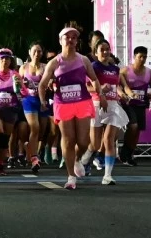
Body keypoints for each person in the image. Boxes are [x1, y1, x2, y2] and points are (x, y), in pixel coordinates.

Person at [38, 27, 104, 190]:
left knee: (83, 141)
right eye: (67, 37)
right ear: (60, 40)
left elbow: (94, 80)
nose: (71, 40)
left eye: (74, 37)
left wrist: (101, 95)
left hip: (83, 102)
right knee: (68, 140)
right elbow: (42, 84)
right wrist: (42, 100)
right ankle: (70, 177)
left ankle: (77, 159)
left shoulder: (83, 60)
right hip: (63, 104)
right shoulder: (54, 62)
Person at [84, 39, 130, 185]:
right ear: (96, 52)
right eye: (102, 49)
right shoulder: (93, 67)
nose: (105, 52)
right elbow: (86, 87)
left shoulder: (115, 69)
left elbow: (116, 87)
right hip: (97, 105)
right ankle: (85, 160)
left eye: (107, 49)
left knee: (109, 139)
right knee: (95, 144)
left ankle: (107, 176)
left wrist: (123, 95)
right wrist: (100, 89)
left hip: (113, 106)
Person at [119, 46, 151, 166]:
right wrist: (126, 94)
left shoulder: (149, 72)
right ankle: (124, 152)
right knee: (133, 126)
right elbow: (119, 86)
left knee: (137, 131)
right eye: (140, 57)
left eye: (144, 57)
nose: (142, 59)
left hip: (141, 104)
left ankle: (129, 154)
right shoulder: (125, 71)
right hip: (128, 104)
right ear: (134, 57)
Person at [20, 43, 47, 172]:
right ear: (29, 52)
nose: (37, 54)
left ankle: (29, 149)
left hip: (42, 101)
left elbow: (51, 82)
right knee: (35, 127)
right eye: (35, 51)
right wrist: (21, 85)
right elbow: (17, 87)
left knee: (40, 133)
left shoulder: (46, 67)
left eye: (39, 51)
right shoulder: (23, 67)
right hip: (28, 100)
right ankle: (34, 158)